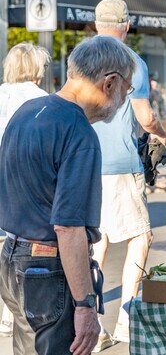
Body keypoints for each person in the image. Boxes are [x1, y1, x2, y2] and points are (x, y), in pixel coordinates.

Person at [0, 36, 135, 355]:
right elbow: (68, 227)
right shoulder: (78, 132)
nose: (124, 97)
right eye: (126, 90)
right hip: (46, 269)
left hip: (12, 259)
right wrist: (85, 307)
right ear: (110, 83)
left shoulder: (29, 111)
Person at [91, 0, 166, 348]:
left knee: (97, 239)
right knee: (141, 236)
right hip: (121, 163)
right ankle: (124, 319)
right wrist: (161, 133)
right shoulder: (131, 61)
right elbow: (145, 118)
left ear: (96, 25)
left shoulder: (80, 59)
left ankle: (90, 322)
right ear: (126, 26)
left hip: (87, 162)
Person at [0, 42, 50, 339]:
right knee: (17, 240)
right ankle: (12, 312)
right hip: (24, 179)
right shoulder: (43, 99)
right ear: (36, 70)